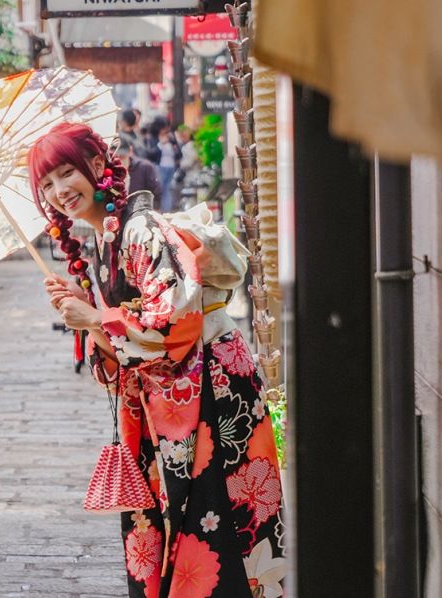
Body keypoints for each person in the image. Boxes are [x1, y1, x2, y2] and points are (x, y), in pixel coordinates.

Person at [29, 122, 286, 598]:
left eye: (67, 173)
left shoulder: (139, 229)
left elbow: (174, 325)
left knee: (216, 528)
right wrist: (91, 318)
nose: (59, 190)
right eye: (46, 184)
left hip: (210, 394)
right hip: (168, 405)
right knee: (175, 528)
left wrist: (97, 318)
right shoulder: (105, 242)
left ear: (99, 167)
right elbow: (125, 352)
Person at [116, 137, 162, 210]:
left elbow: (156, 192)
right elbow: (110, 191)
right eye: (114, 158)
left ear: (130, 151)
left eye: (122, 157)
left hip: (141, 212)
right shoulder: (109, 170)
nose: (119, 162)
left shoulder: (145, 167)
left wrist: (153, 212)